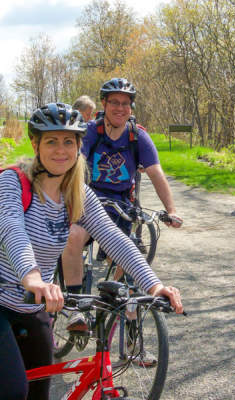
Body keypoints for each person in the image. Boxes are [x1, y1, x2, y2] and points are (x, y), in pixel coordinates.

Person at [0, 103, 183, 400]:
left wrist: (154, 284)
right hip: (5, 299)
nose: (61, 150)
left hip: (34, 309)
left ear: (78, 147)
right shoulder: (13, 181)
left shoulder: (77, 192)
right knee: (12, 390)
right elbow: (11, 229)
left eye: (68, 142)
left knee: (38, 392)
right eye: (51, 141)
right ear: (35, 144)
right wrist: (33, 279)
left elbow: (113, 238)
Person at [61, 78, 183, 331]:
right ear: (104, 104)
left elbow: (156, 173)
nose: (120, 108)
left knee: (126, 272)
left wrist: (171, 210)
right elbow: (73, 166)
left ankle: (131, 336)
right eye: (114, 102)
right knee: (73, 236)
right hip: (89, 203)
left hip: (121, 208)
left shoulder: (138, 136)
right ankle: (75, 307)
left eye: (125, 103)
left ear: (131, 107)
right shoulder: (91, 132)